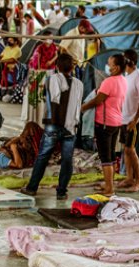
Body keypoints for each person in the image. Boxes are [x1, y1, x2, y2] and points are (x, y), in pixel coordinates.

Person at [20, 53, 83, 200]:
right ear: (72, 67)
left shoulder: (51, 80)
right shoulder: (79, 84)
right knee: (67, 159)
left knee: (43, 156)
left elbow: (50, 97)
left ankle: (32, 188)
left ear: (56, 67)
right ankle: (61, 192)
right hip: (70, 126)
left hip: (53, 125)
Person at [81, 53, 127, 197]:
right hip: (116, 122)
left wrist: (83, 107)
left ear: (117, 67)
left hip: (105, 123)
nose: (107, 66)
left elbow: (98, 100)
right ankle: (109, 184)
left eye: (110, 64)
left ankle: (109, 189)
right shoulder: (123, 80)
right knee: (111, 154)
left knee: (105, 157)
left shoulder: (109, 82)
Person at [117, 49, 139, 193]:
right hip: (124, 119)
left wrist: (135, 120)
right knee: (126, 149)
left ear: (129, 62)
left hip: (133, 121)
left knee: (131, 149)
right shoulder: (126, 76)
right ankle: (129, 178)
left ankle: (138, 181)